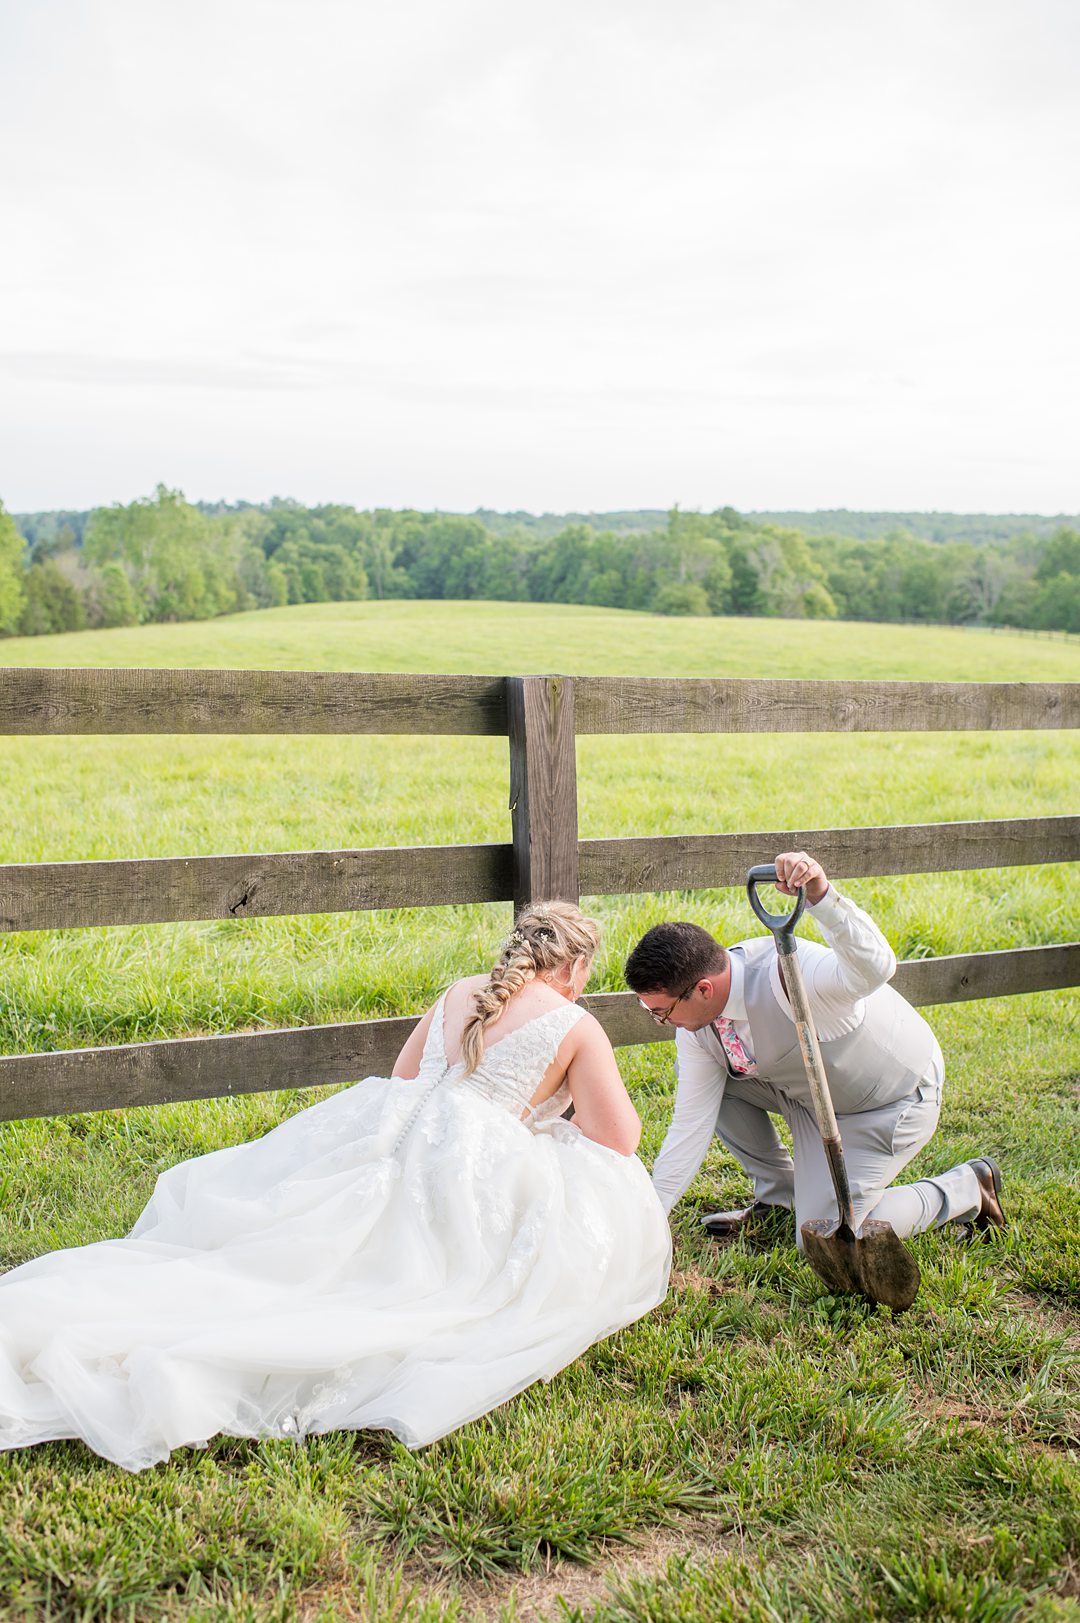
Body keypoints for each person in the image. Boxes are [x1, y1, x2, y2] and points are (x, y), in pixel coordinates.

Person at [0, 903, 671, 1473]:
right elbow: (619, 1137)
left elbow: (407, 1074)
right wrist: (536, 1123)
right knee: (603, 1183)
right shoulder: (575, 1024)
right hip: (471, 1162)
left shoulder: (462, 989)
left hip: (389, 1128)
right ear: (576, 967)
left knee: (298, 1249)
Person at [624, 851, 1005, 1244]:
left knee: (827, 1238)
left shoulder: (795, 974)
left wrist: (822, 897)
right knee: (721, 1085)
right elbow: (690, 1125)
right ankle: (779, 1199)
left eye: (662, 1012)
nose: (661, 1023)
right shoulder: (697, 1030)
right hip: (810, 1097)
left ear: (703, 989)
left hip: (887, 1100)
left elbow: (877, 968)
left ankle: (967, 1188)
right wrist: (649, 1220)